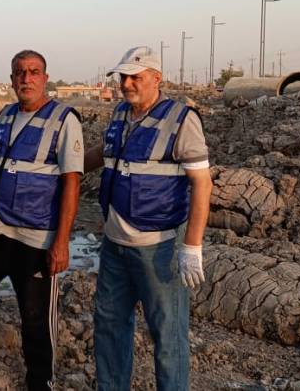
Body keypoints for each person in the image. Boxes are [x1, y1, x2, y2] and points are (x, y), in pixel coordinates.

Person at [0, 49, 83, 391]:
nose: (27, 78)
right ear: (11, 79)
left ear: (45, 78)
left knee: (36, 319)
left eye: (34, 72)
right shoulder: (6, 116)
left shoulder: (63, 120)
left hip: (35, 239)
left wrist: (61, 242)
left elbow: (72, 182)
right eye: (20, 72)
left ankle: (40, 382)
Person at [83, 46, 212, 391]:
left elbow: (202, 184)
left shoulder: (181, 120)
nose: (126, 84)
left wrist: (192, 246)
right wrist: (66, 169)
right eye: (122, 77)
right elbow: (102, 153)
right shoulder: (120, 115)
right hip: (114, 246)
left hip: (158, 248)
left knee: (167, 336)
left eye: (135, 77)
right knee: (109, 326)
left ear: (157, 78)